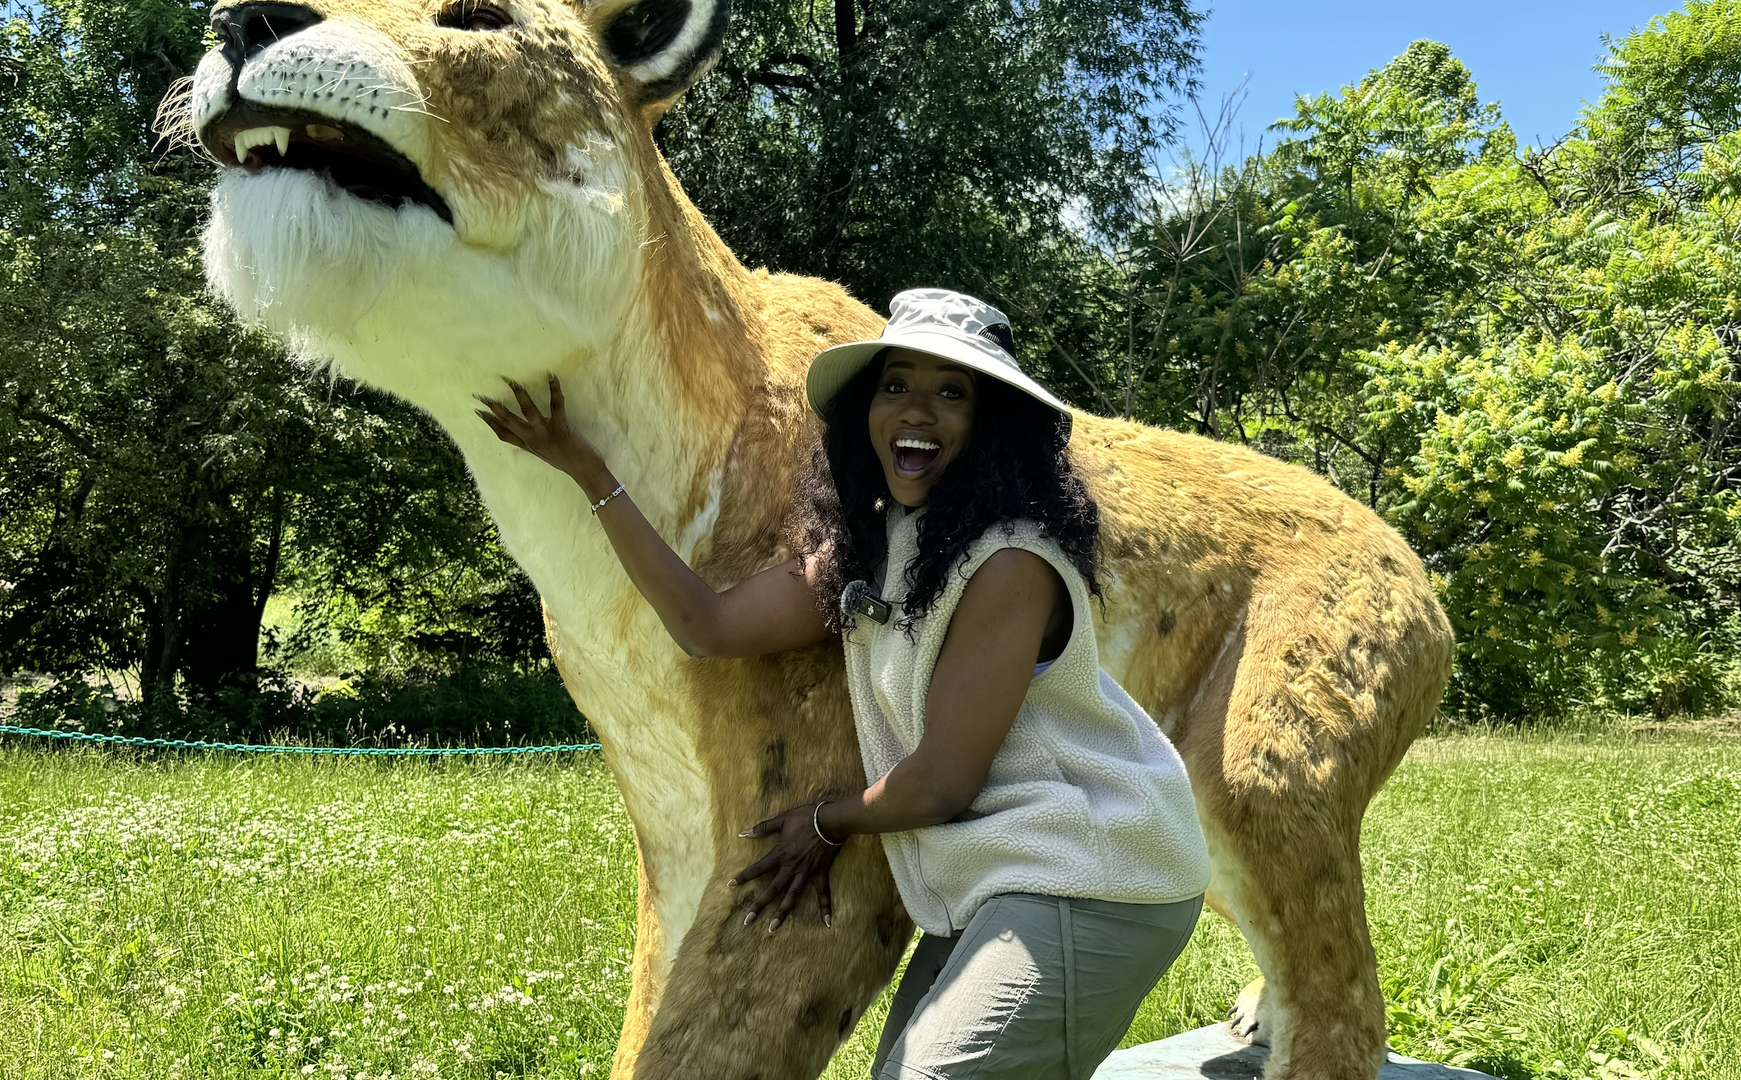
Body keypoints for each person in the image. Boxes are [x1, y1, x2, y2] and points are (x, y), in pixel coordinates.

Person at [475, 289, 1210, 1080]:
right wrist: (590, 472)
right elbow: (708, 625)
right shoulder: (877, 545)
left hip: (1098, 872)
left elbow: (939, 784)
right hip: (997, 879)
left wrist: (824, 823)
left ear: (992, 423)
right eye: (896, 385)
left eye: (951, 392)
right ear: (866, 405)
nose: (916, 411)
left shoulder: (1011, 565)